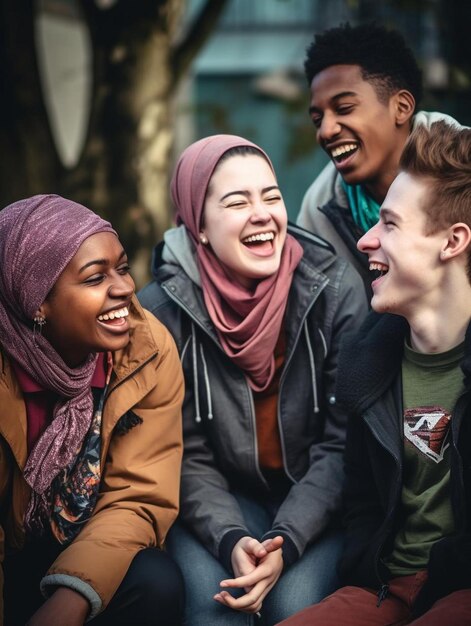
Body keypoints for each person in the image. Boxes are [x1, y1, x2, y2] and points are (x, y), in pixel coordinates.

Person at [138, 134, 367, 625]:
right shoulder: (160, 312)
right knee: (215, 612)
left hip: (315, 500)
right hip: (219, 498)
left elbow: (341, 443)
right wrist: (230, 537)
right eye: (237, 202)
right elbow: (184, 452)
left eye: (272, 196)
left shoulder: (334, 290)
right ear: (198, 224)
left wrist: (286, 537)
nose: (262, 214)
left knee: (293, 609)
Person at [277, 121, 471, 625]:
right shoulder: (368, 359)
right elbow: (362, 500)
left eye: (389, 224)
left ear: (452, 241)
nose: (364, 241)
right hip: (384, 587)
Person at [0, 194, 184, 626]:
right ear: (36, 302)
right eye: (94, 277)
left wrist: (71, 597)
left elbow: (138, 495)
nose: (124, 288)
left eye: (121, 268)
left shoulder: (147, 349)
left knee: (157, 582)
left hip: (88, 548)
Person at [297, 22, 463, 296]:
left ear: (401, 107)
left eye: (344, 108)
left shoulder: (463, 173)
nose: (326, 131)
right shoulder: (317, 211)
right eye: (317, 120)